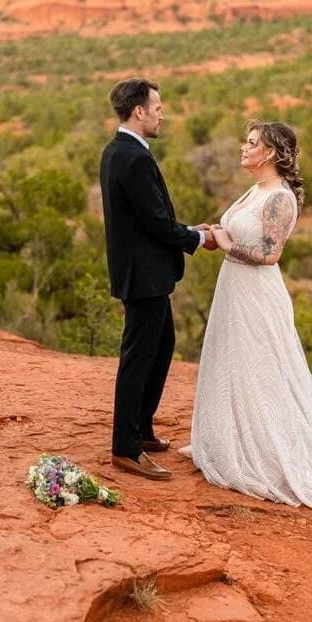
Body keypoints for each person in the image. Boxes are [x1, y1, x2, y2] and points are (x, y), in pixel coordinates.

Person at [186, 121, 312, 508]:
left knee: (261, 367)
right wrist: (215, 234)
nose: (244, 147)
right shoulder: (256, 190)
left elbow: (270, 255)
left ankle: (266, 454)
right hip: (234, 288)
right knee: (232, 362)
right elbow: (240, 234)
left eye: (251, 143)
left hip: (256, 294)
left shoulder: (279, 199)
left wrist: (225, 244)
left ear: (269, 153)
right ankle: (231, 442)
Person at [100, 79, 213, 481]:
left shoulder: (119, 151)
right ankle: (125, 449)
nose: (162, 115)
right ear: (139, 112)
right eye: (158, 108)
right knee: (138, 359)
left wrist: (188, 229)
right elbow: (156, 223)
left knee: (162, 347)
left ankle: (141, 429)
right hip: (143, 277)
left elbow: (148, 219)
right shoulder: (133, 158)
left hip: (145, 274)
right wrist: (198, 238)